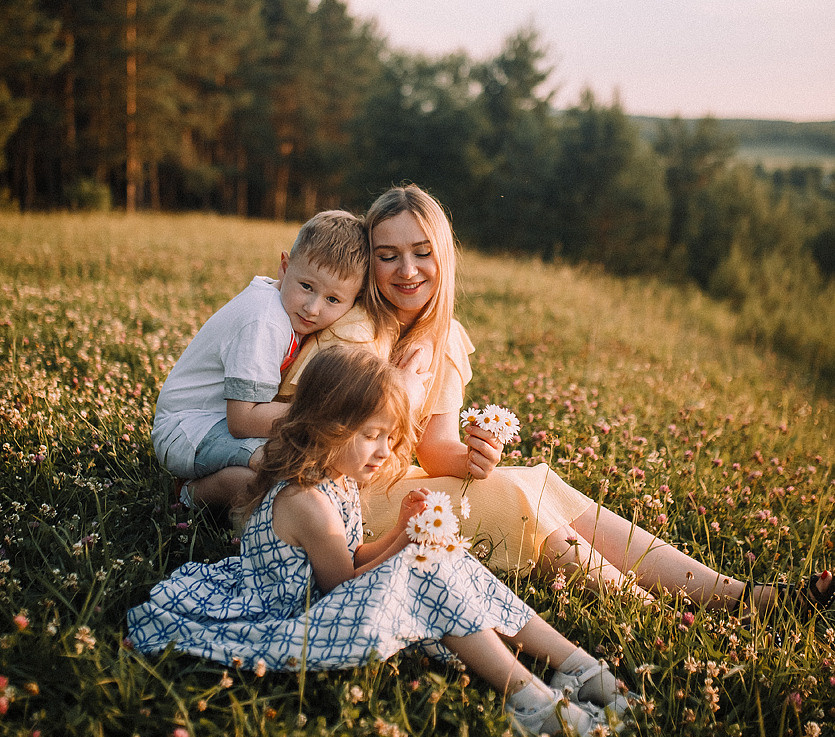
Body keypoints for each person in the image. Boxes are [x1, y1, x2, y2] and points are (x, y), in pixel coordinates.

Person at [356, 185, 834, 623]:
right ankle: (665, 618)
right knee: (516, 497)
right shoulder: (355, 328)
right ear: (368, 261)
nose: (407, 270)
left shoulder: (444, 337)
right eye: (388, 255)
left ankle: (741, 596)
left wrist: (475, 456)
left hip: (408, 482)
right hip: (358, 503)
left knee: (537, 481)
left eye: (423, 253)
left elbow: (435, 450)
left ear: (444, 257)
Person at [128, 347, 633, 737]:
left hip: (326, 596)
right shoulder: (307, 502)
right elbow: (340, 581)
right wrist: (403, 547)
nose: (384, 451)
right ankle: (530, 700)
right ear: (325, 426)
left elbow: (349, 560)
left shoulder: (336, 480)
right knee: (428, 567)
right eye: (371, 435)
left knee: (443, 558)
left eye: (390, 438)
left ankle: (575, 666)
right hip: (296, 621)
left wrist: (399, 534)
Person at [152, 209, 375, 510]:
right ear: (285, 267)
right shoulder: (265, 322)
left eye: (332, 300)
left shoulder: (287, 310)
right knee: (284, 470)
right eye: (306, 287)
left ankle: (207, 486)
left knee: (276, 474)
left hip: (214, 426)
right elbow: (242, 421)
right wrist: (321, 416)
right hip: (188, 429)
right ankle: (189, 495)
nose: (312, 307)